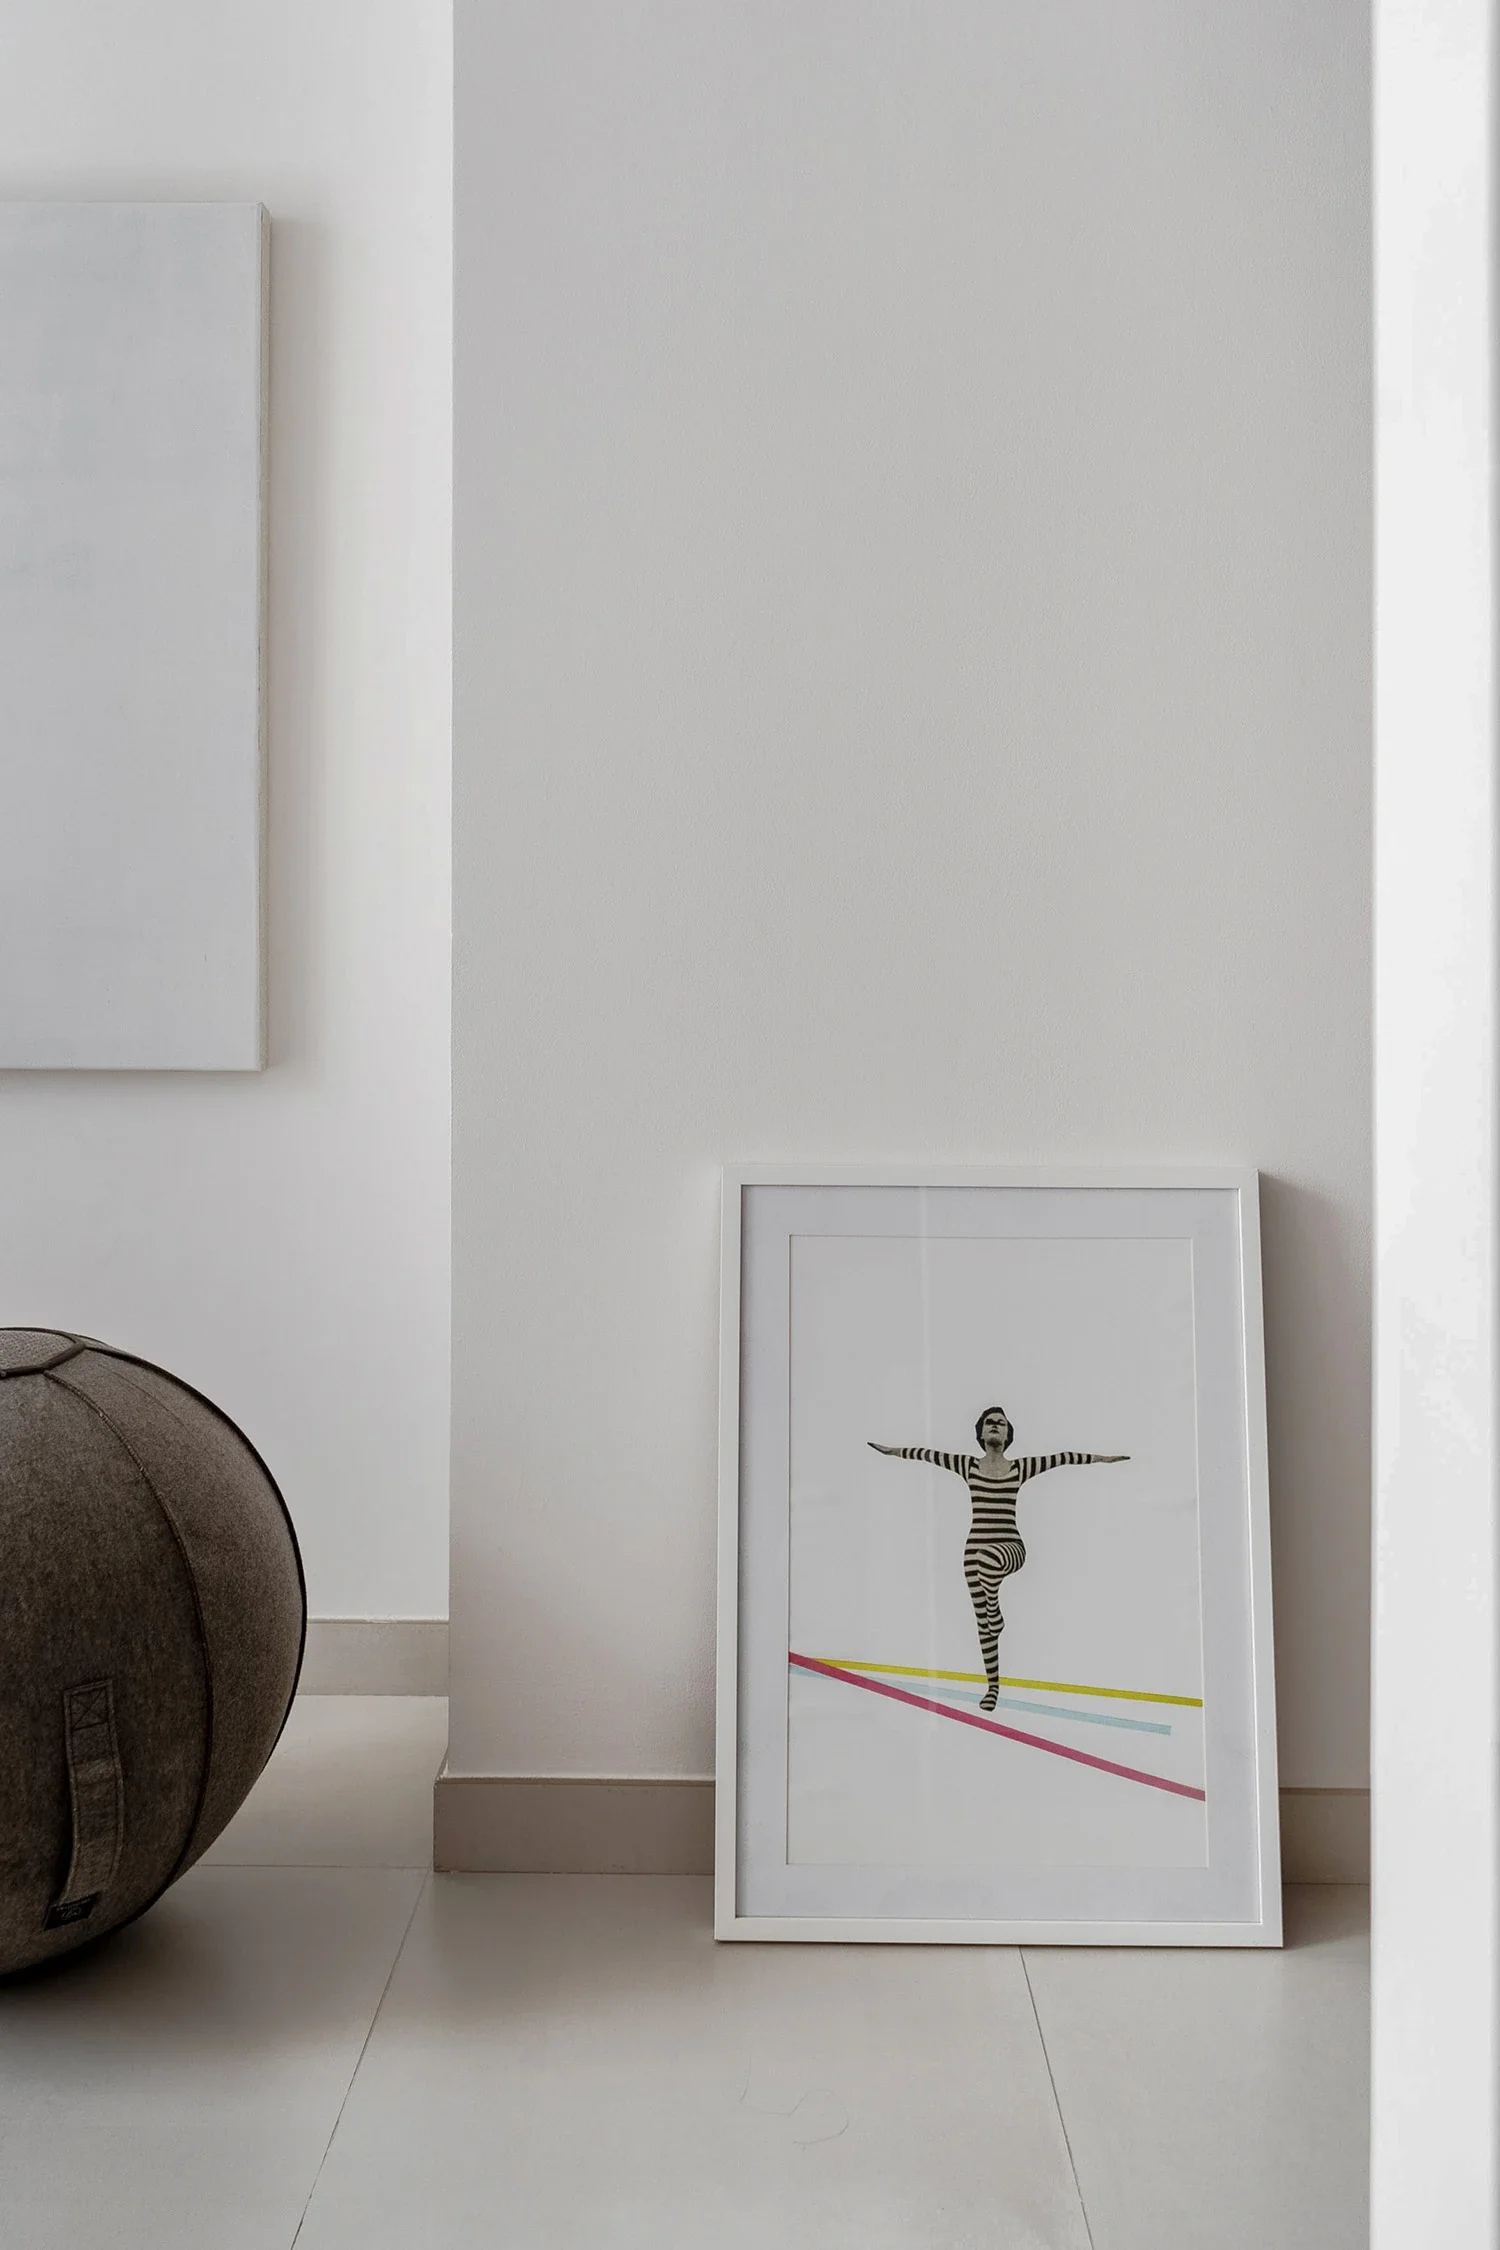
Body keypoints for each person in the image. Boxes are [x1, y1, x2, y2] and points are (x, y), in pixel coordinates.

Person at [869, 1407, 1127, 1710]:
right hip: (975, 1548)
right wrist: (892, 1451)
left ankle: (995, 1611)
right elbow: (927, 1455)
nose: (995, 1425)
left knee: (988, 1566)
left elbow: (1063, 1458)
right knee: (982, 1622)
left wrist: (1102, 1458)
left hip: (1010, 1547)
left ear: (1007, 1434)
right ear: (980, 1433)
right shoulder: (967, 1466)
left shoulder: (1020, 1468)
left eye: (1000, 1423)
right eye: (989, 1422)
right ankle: (993, 1687)